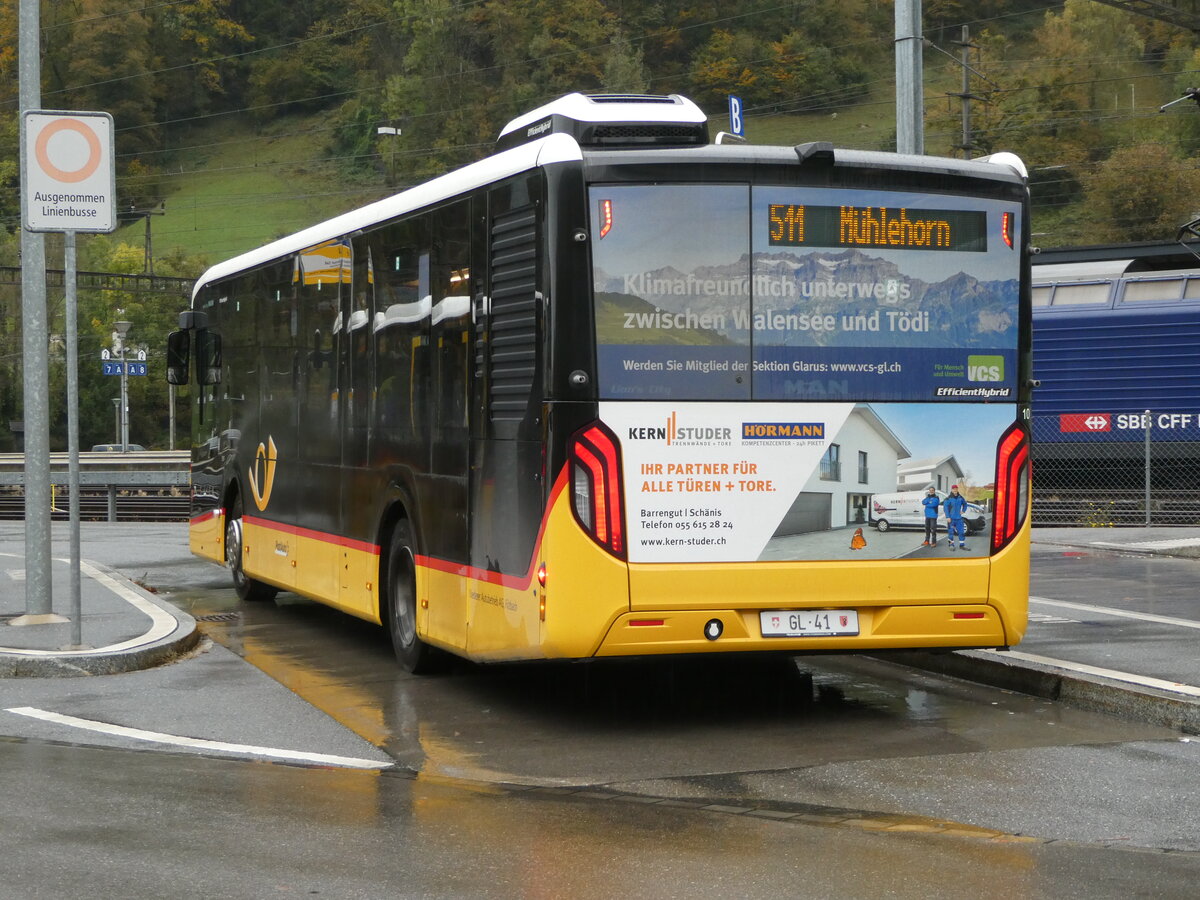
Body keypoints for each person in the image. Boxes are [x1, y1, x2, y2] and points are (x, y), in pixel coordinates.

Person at [943, 484, 970, 551]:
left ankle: (962, 545)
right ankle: (951, 545)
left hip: (959, 519)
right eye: (953, 489)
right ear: (952, 490)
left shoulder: (960, 497)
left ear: (957, 489)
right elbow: (945, 508)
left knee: (961, 532)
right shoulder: (948, 499)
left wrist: (963, 510)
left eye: (956, 489)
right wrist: (947, 517)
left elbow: (965, 504)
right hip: (951, 519)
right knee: (951, 533)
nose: (955, 490)